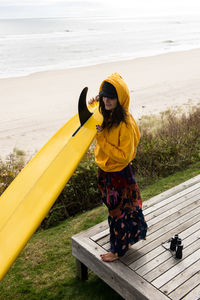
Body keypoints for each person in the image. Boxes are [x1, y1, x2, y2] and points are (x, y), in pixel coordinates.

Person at [90, 73, 147, 262]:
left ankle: (118, 250)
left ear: (120, 99)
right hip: (106, 172)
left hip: (119, 174)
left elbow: (123, 157)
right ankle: (123, 240)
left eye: (111, 97)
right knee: (117, 211)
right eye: (103, 95)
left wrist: (102, 140)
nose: (106, 100)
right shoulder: (108, 113)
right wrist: (94, 101)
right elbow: (95, 111)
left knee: (118, 213)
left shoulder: (126, 124)